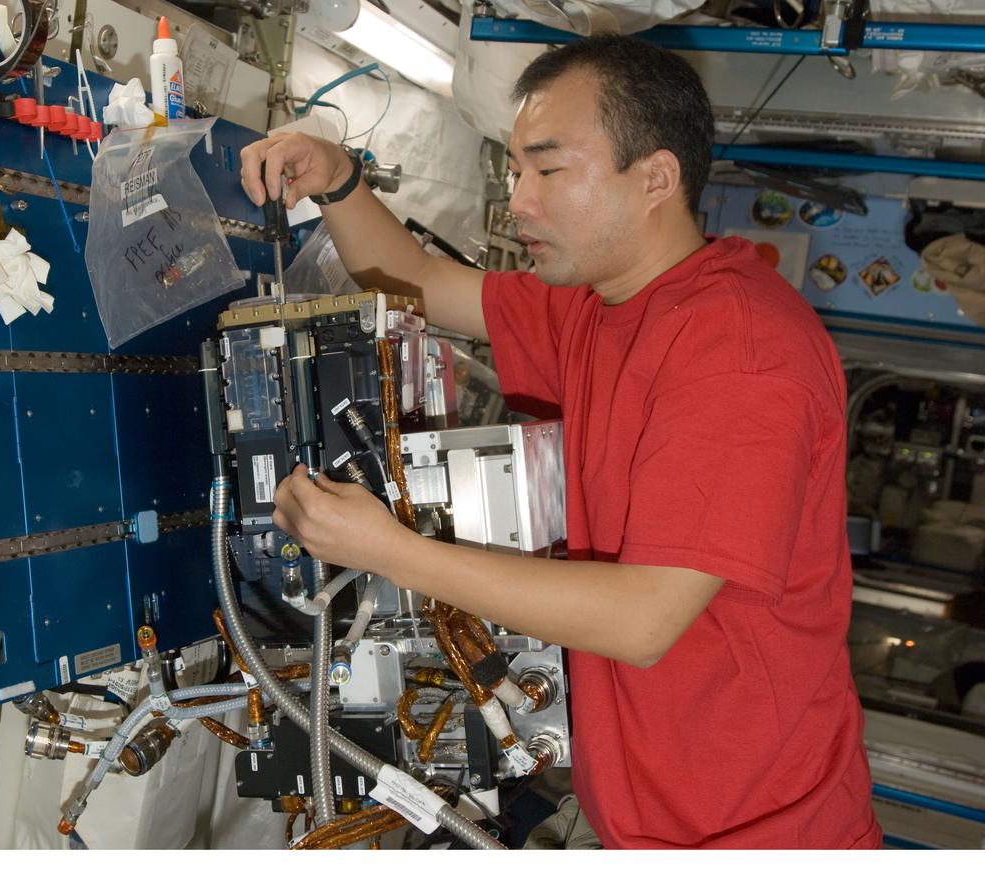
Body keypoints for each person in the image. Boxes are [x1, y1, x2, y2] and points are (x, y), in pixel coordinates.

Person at [239, 34, 880, 849]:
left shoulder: (744, 351)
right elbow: (411, 279)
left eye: (548, 169)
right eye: (515, 171)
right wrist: (337, 178)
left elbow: (645, 618)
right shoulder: (598, 302)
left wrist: (389, 549)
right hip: (648, 824)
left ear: (655, 178)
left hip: (760, 837)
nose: (520, 201)